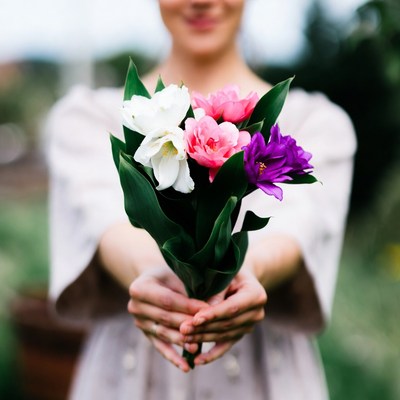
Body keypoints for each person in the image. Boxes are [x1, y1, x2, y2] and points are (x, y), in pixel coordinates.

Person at [46, 1, 357, 399]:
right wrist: (149, 275)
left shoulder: (316, 123)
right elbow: (102, 220)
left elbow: (301, 225)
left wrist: (248, 274)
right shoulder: (92, 116)